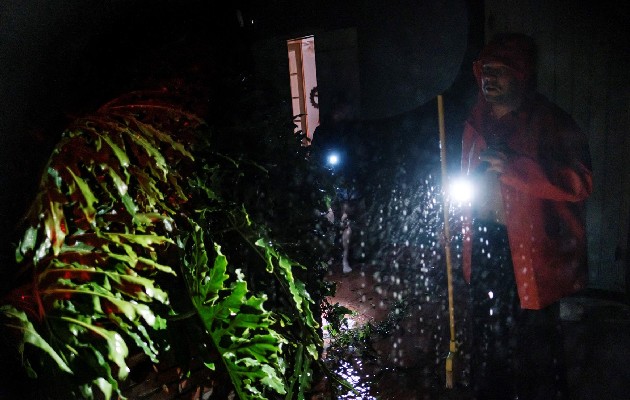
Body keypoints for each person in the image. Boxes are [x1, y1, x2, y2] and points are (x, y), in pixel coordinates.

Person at [460, 33, 592, 400]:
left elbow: (580, 183)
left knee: (535, 337)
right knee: (487, 330)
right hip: (485, 241)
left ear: (521, 75)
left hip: (533, 251)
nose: (490, 78)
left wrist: (516, 167)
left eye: (500, 71)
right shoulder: (475, 121)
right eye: (486, 69)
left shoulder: (552, 122)